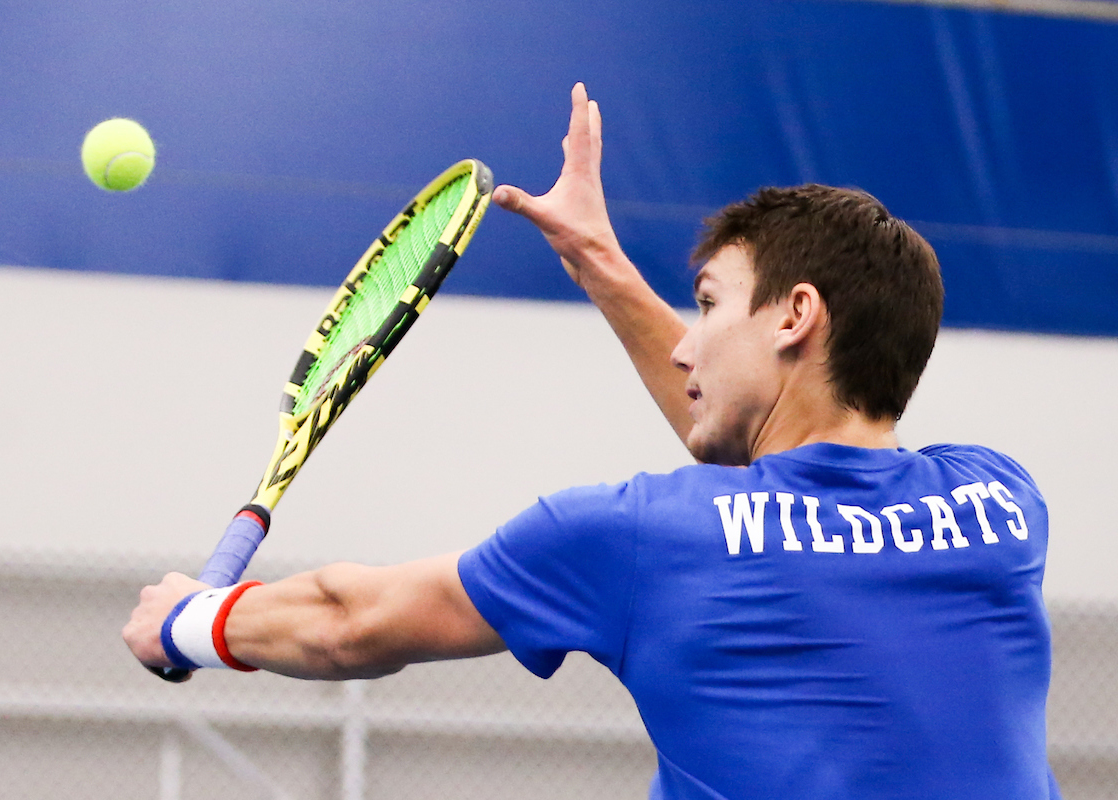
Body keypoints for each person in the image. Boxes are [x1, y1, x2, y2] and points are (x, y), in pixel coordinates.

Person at [124, 83, 1059, 800]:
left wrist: (188, 621)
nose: (686, 344)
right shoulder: (1002, 506)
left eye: (705, 305)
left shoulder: (642, 535)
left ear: (795, 316)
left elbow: (347, 621)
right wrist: (601, 264)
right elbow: (763, 457)